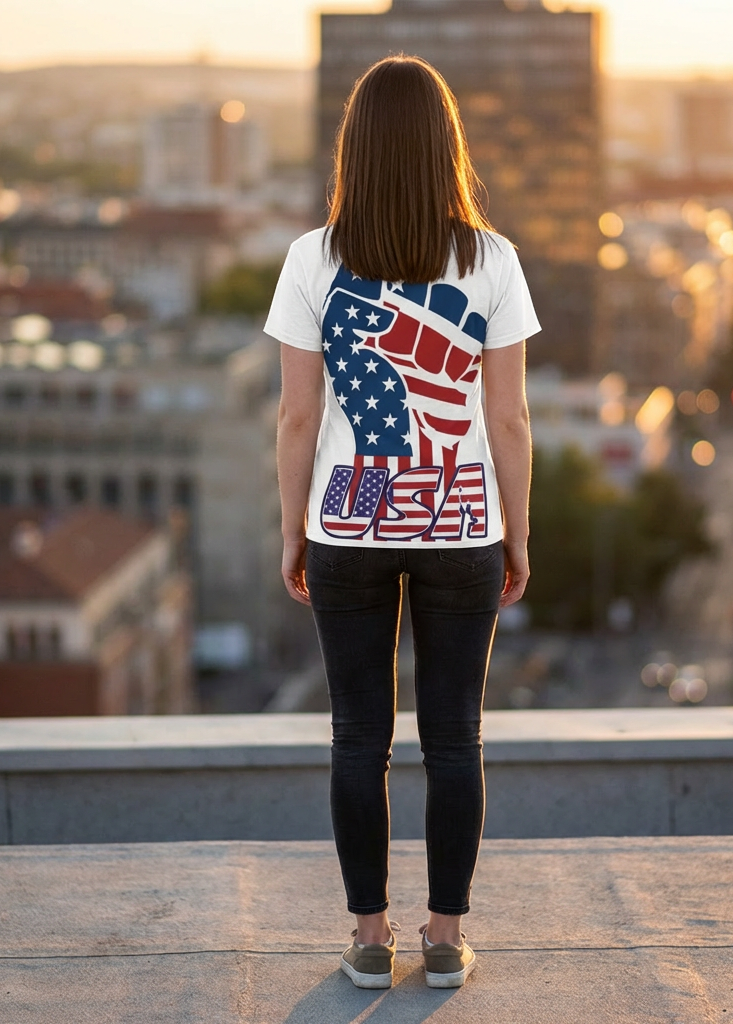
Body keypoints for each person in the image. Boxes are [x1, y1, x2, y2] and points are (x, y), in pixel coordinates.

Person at [264, 54, 540, 990]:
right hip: (463, 525)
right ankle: (448, 938)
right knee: (455, 739)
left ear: (355, 150)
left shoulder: (313, 258)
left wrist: (294, 526)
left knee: (358, 739)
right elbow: (508, 418)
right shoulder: (490, 259)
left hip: (348, 522)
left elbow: (299, 416)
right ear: (445, 148)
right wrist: (520, 531)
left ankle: (371, 939)